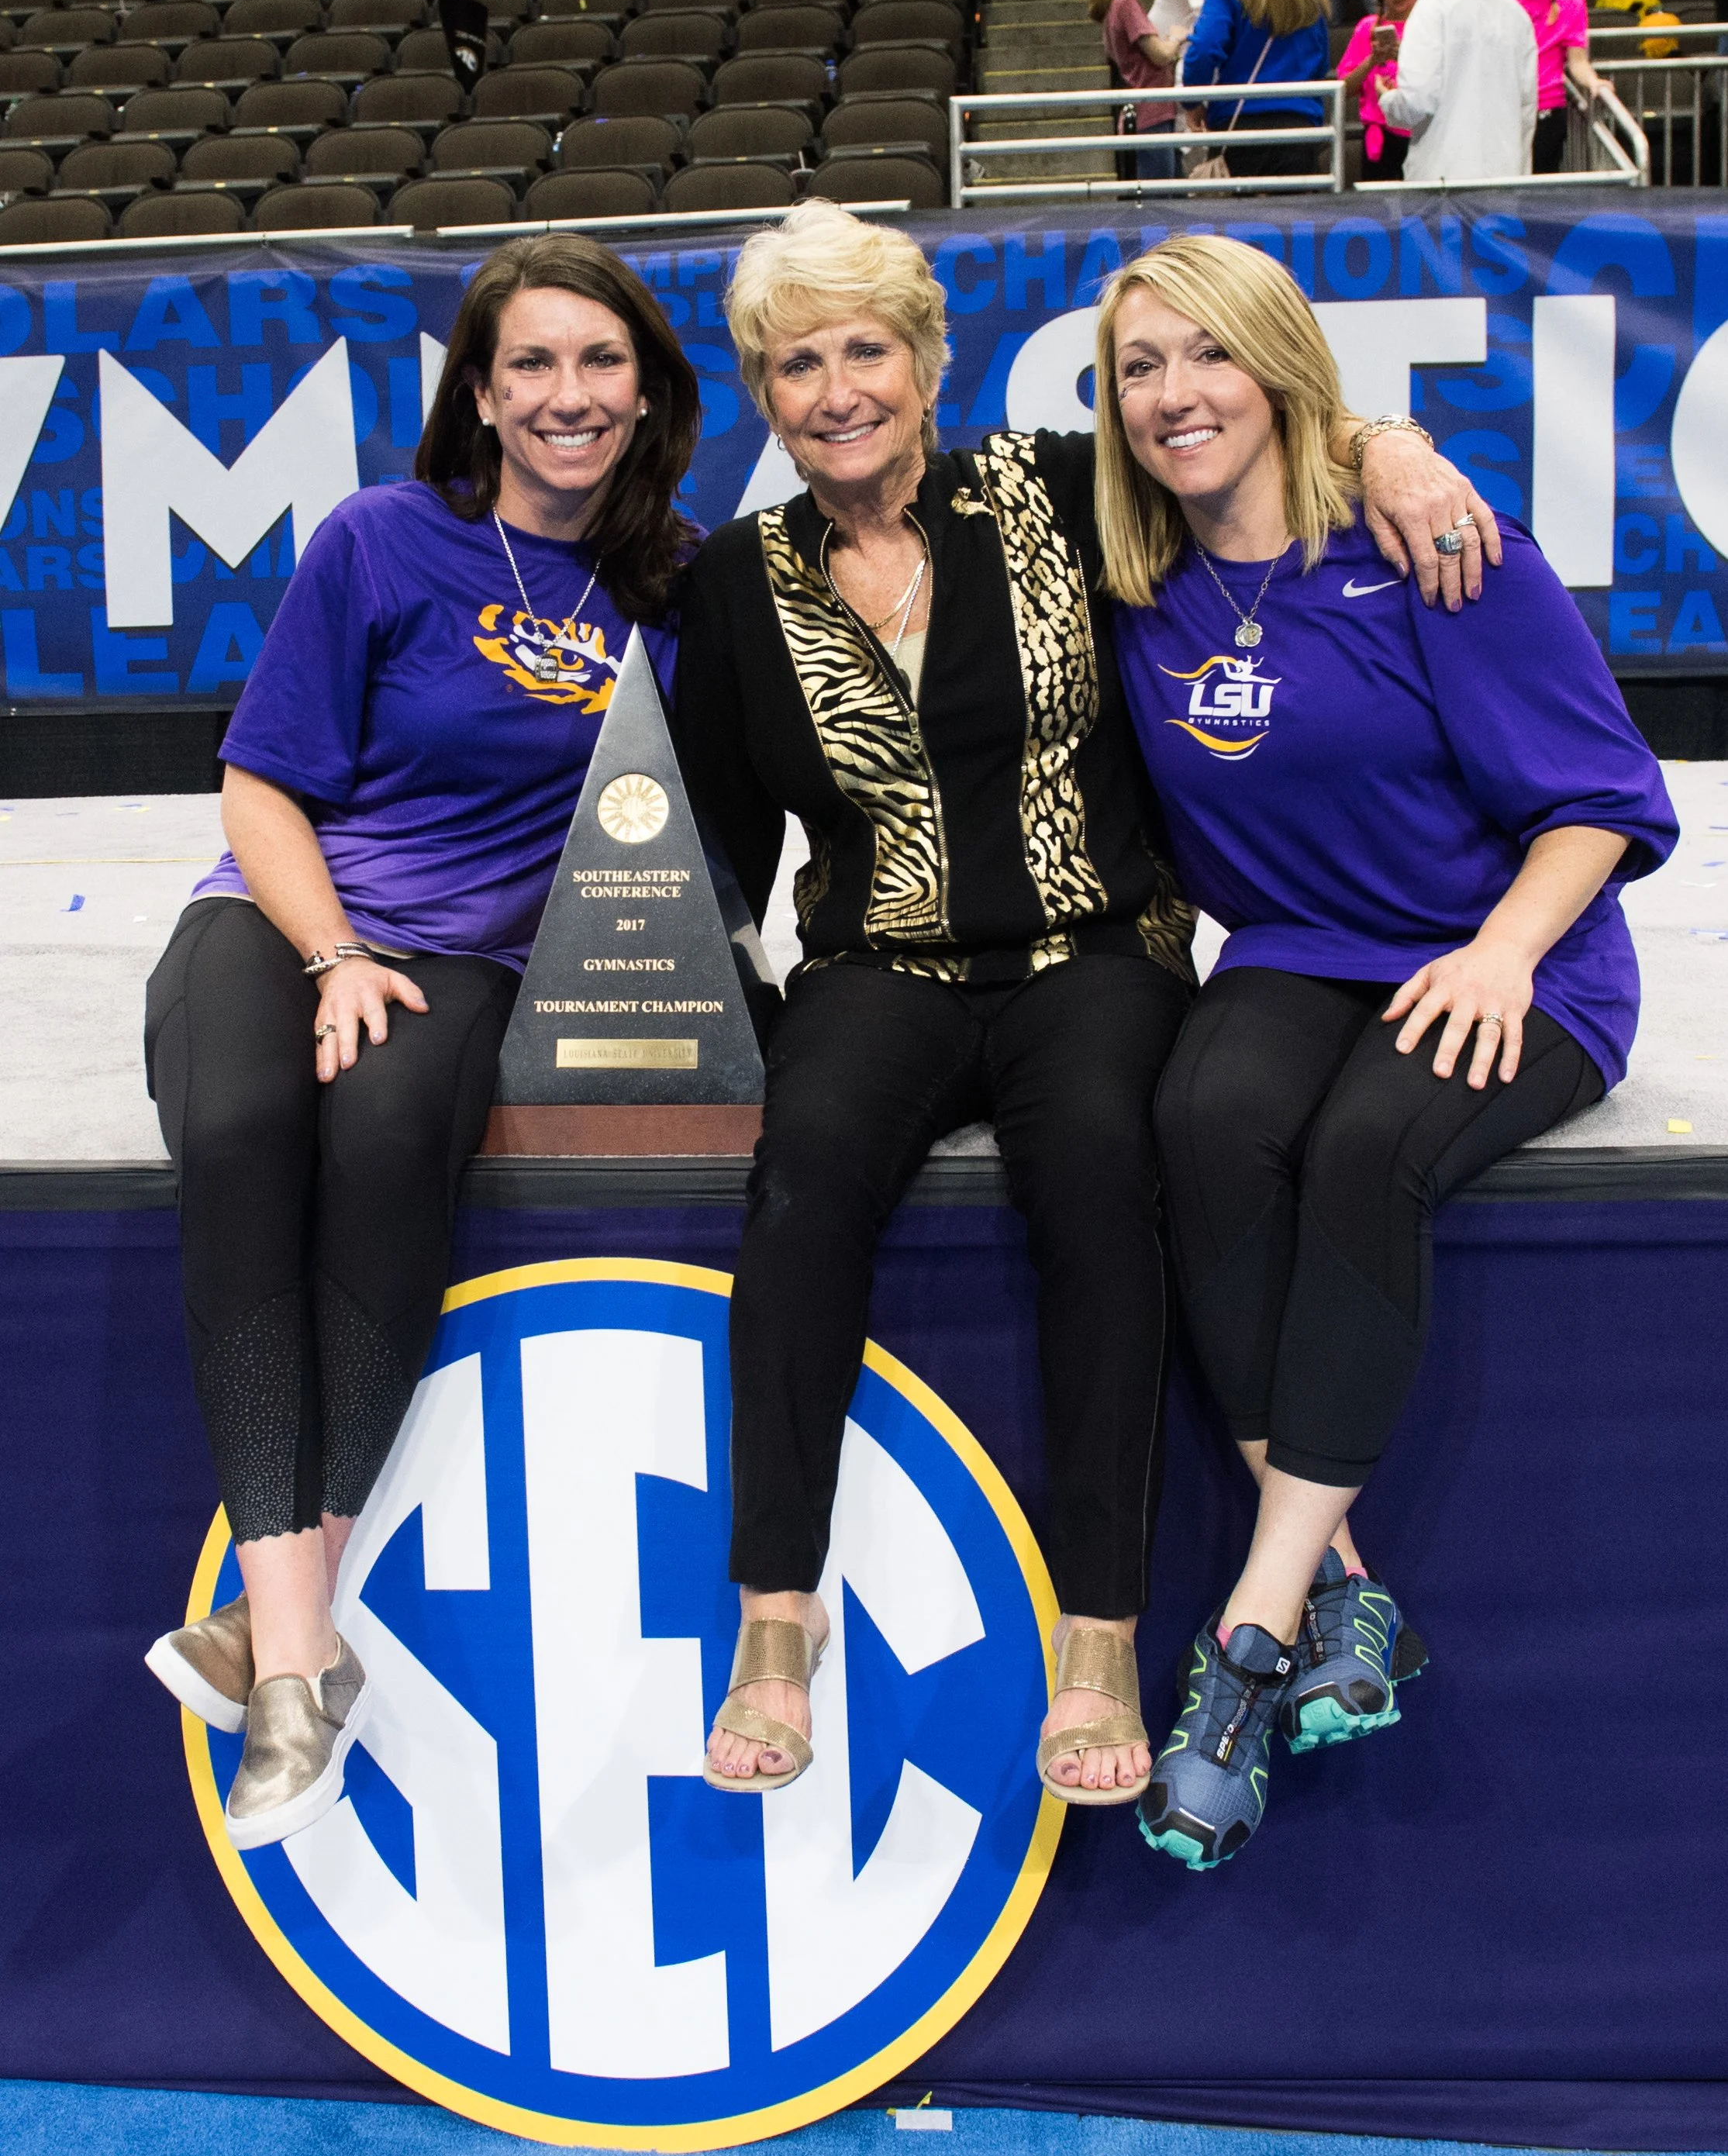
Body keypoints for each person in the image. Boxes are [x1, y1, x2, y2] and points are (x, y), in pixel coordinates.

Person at [672, 201, 1506, 1813]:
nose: (836, 389)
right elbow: (718, 830)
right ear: (761, 395)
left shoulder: (1060, 490)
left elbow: (1238, 432)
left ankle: (1099, 1634)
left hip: (1094, 955)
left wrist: (1387, 443)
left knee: (1100, 1196)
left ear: (926, 361)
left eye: (865, 350)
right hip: (875, 968)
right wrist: (713, 1007)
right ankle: (776, 1614)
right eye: (796, 365)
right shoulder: (733, 578)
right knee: (799, 1184)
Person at [1092, 233, 1675, 1871]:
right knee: (1201, 1120)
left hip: (1514, 957)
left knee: (1361, 1151)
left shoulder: (1435, 545)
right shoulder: (1133, 577)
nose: (1173, 395)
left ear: (1280, 367)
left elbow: (1605, 803)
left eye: (1209, 355)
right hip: (1295, 952)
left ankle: (1252, 1633)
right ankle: (1354, 1595)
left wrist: (1500, 952)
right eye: (1138, 366)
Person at [143, 237, 700, 1851]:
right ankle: (309, 1661)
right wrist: (328, 953)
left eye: (599, 361)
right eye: (528, 364)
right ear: (478, 391)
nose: (566, 395)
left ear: (648, 386)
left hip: (474, 953)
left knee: (387, 1144)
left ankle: (268, 1633)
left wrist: (1371, 444)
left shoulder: (676, 580)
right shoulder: (385, 540)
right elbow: (259, 785)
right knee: (244, 1127)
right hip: (281, 911)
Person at [1379, 0, 1539, 176]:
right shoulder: (1516, 14)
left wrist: (1388, 100)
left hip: (1442, 177)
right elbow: (1527, 108)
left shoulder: (1431, 7)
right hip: (1503, 175)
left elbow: (1416, 102)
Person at [1182, 0, 1333, 179]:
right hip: (1298, 131)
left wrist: (1193, 100)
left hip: (1240, 130)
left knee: (1234, 224)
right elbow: (1321, 65)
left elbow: (1202, 50)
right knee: (1293, 222)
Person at [1090, 0, 1188, 181]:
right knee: (1163, 204)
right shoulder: (1126, 4)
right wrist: (1176, 38)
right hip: (1151, 119)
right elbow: (1161, 54)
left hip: (1148, 118)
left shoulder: (1114, 7)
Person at [1511, 0, 1603, 162]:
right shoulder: (1504, 4)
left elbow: (1578, 60)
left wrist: (1593, 82)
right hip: (1508, 109)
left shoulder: (1571, 4)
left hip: (1548, 110)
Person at [1336, 0, 1421, 172]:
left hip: (1419, 135)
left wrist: (1403, 56)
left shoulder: (1427, 25)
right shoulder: (1367, 28)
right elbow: (1344, 89)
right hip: (1379, 138)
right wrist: (1371, 61)